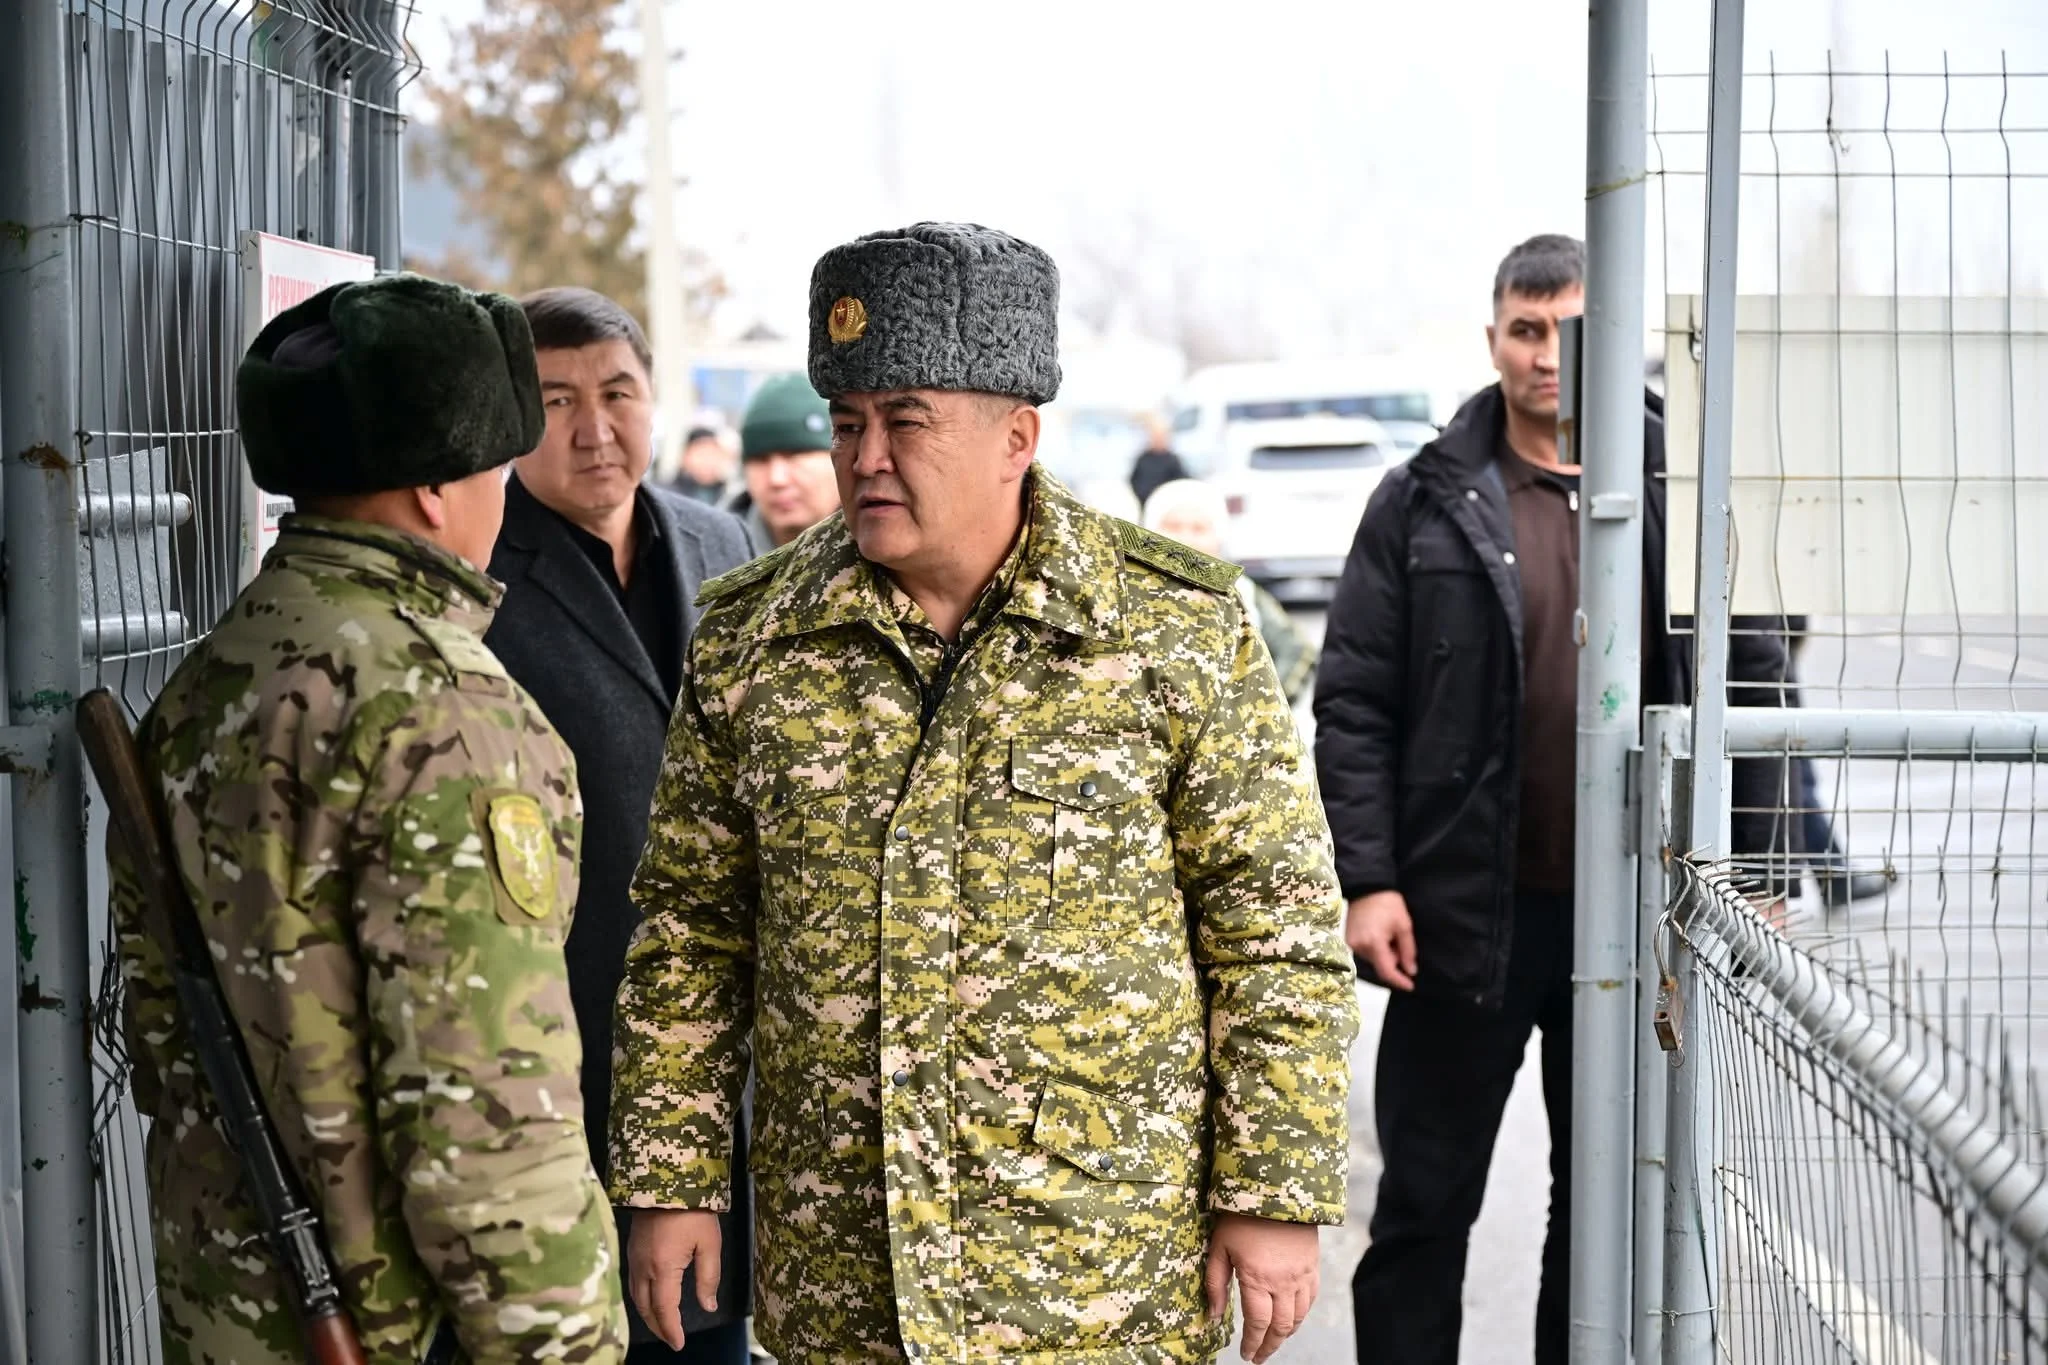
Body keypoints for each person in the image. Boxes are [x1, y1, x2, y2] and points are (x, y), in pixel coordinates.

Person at [609, 222, 1358, 1365]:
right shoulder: (755, 641)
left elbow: (1273, 931)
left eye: (905, 421)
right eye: (846, 423)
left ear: (1017, 436)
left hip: (1094, 1281)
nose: (865, 457)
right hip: (843, 1277)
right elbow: (691, 931)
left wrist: (1271, 1193)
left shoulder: (1168, 630)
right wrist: (672, 1177)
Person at [108, 274, 627, 1363]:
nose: (499, 501)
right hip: (396, 1325)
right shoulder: (446, 710)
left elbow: (159, 1037)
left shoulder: (215, 673)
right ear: (436, 489)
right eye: (495, 471)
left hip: (228, 1310)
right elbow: (485, 1117)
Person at [1314, 234, 1788, 1365]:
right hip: (1456, 921)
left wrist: (1758, 869)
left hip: (1633, 919)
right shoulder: (1423, 500)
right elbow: (1355, 701)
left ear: (1611, 340)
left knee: (1601, 1218)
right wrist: (1370, 881)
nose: (1545, 356)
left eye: (1569, 332)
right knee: (1423, 1209)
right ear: (1493, 339)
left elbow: (1756, 676)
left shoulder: (1685, 489)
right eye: (1525, 331)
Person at [483, 286, 756, 1363]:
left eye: (618, 393)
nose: (594, 429)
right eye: (555, 401)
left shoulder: (720, 539)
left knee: (711, 1330)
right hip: (563, 1035)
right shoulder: (479, 563)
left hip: (720, 1054)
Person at [1143, 477, 1318, 706]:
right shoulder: (1128, 591)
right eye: (1173, 527)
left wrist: (1265, 706)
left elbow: (1297, 650)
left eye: (1199, 528)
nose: (1185, 538)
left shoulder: (1242, 592)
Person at [724, 373, 841, 551]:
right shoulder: (713, 554)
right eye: (760, 460)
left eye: (794, 455)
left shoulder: (882, 554)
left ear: (838, 459)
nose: (777, 479)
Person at [1130, 412, 1190, 507]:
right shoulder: (1143, 459)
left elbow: (1182, 484)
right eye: (1154, 435)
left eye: (1161, 436)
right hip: (1143, 504)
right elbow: (1134, 482)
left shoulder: (1173, 461)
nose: (1157, 439)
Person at [671, 425, 738, 505]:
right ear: (685, 456)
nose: (708, 461)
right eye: (702, 454)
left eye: (713, 454)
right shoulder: (668, 494)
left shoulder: (730, 497)